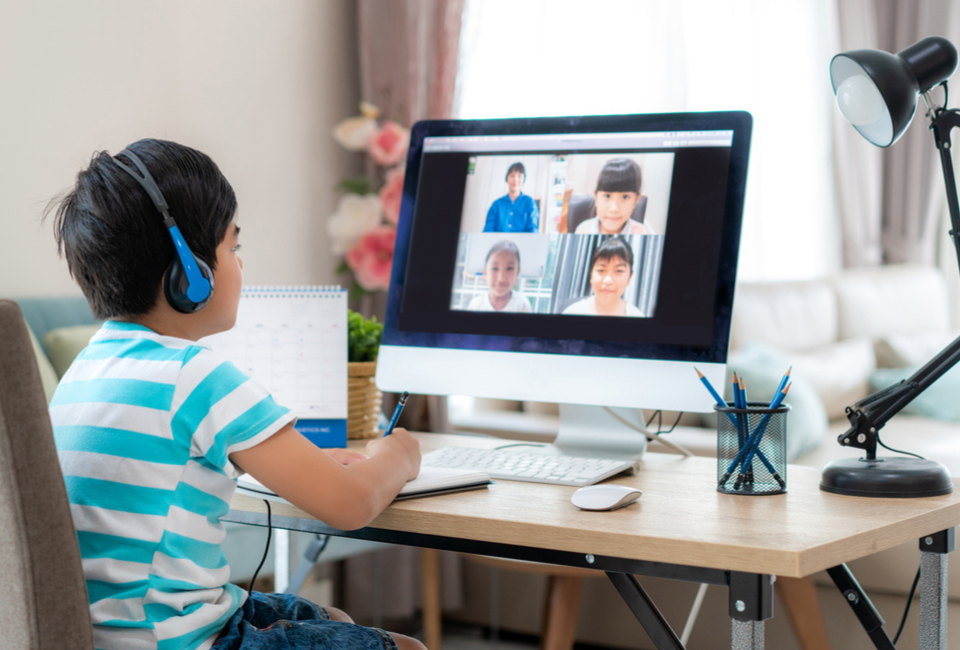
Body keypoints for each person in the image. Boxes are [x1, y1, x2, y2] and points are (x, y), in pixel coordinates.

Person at [46, 138, 425, 650]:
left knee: (332, 618)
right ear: (190, 273)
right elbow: (352, 505)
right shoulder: (196, 374)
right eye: (232, 248)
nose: (240, 266)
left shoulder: (84, 370)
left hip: (103, 635)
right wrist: (396, 456)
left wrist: (297, 461)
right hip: (176, 639)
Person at [562, 237, 644, 317]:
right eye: (601, 270)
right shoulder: (572, 312)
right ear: (591, 274)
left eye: (619, 271)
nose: (607, 281)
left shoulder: (637, 315)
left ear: (629, 277)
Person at [574, 158, 653, 235]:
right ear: (596, 198)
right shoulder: (583, 230)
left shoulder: (642, 233)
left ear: (636, 200)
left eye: (625, 197)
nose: (614, 209)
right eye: (607, 196)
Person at [466, 240, 532, 312]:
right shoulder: (476, 305)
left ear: (517, 272)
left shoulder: (522, 305)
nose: (501, 278)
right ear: (485, 273)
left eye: (510, 268)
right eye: (494, 268)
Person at [482, 161, 539, 233]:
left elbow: (533, 229)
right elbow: (488, 229)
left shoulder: (530, 203)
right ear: (507, 178)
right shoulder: (497, 204)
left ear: (523, 179)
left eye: (519, 176)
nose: (515, 179)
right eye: (512, 176)